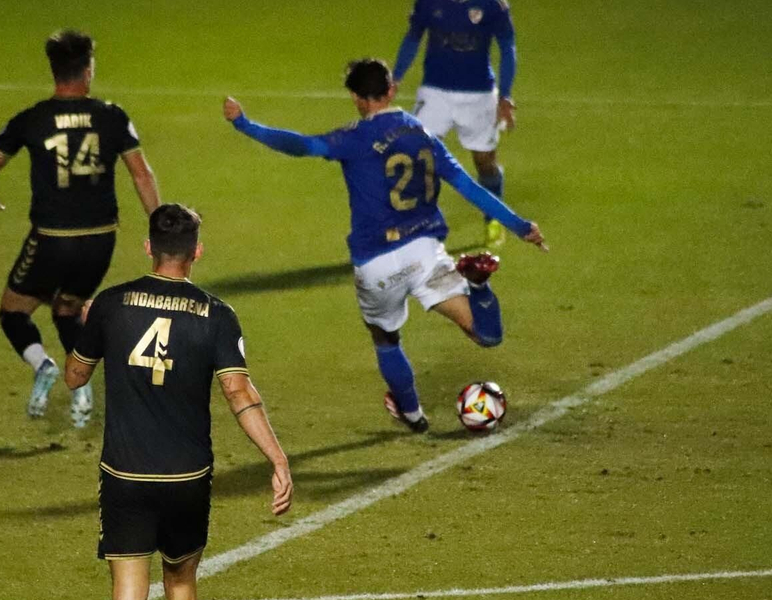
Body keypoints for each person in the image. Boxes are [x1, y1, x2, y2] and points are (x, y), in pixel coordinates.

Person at [62, 204, 291, 600]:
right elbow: (239, 395)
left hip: (125, 476)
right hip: (186, 477)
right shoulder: (217, 314)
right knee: (182, 584)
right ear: (196, 252)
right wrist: (277, 458)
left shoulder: (111, 304)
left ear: (147, 247)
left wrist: (84, 327)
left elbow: (74, 376)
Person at [225, 59, 547, 432]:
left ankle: (413, 414)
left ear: (356, 98)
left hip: (376, 263)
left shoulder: (352, 138)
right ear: (392, 89)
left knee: (385, 337)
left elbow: (300, 145)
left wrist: (245, 124)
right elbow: (468, 186)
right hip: (425, 252)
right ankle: (478, 284)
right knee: (486, 334)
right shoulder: (424, 134)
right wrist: (520, 226)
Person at [0, 30, 160, 427]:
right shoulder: (112, 116)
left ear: (54, 70)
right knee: (67, 310)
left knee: (13, 313)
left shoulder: (31, 118)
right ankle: (83, 391)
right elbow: (141, 175)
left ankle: (43, 366)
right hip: (100, 238)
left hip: (52, 239)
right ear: (88, 70)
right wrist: (157, 224)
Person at [391, 0, 518, 248]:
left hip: (478, 95)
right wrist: (394, 79)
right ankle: (417, 225)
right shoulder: (428, 0)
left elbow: (507, 49)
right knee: (416, 155)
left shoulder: (492, 3)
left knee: (484, 163)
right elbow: (412, 40)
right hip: (435, 91)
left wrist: (506, 96)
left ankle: (493, 217)